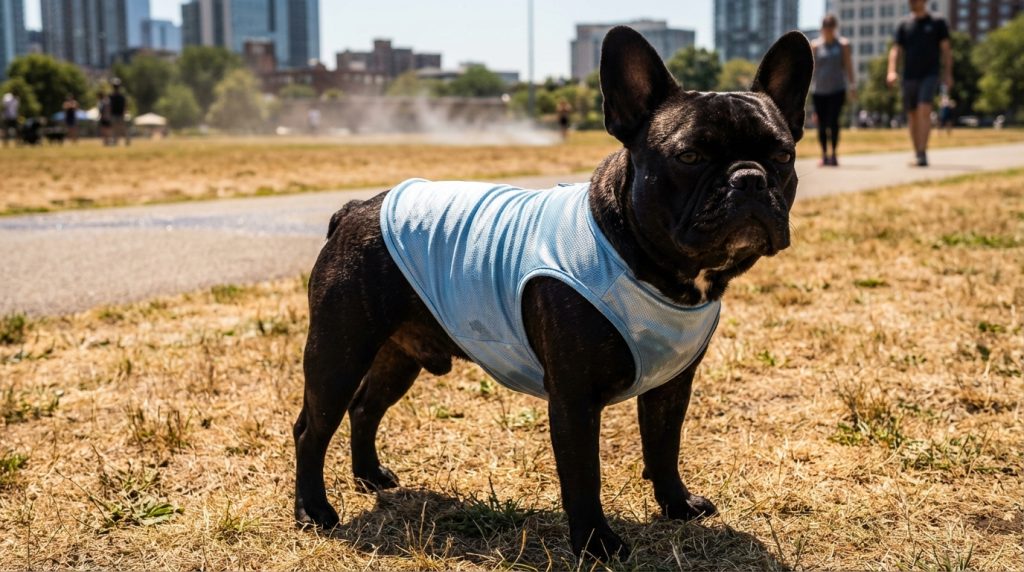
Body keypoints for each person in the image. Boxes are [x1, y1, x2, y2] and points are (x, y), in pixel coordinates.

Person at [887, 0, 952, 167]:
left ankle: (923, 153)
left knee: (924, 108)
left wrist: (948, 74)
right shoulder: (904, 24)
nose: (911, 2)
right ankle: (917, 152)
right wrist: (892, 71)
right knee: (912, 115)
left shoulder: (937, 22)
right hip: (909, 76)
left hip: (930, 74)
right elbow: (896, 50)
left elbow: (946, 50)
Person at [810, 14, 855, 166]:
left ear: (834, 28)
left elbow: (848, 67)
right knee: (822, 124)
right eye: (825, 27)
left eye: (831, 27)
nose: (828, 30)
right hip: (819, 91)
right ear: (822, 28)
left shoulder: (843, 45)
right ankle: (824, 154)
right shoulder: (815, 46)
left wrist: (852, 86)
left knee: (833, 122)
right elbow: (812, 70)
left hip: (837, 90)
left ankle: (834, 154)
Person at [108, 79, 130, 146]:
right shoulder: (116, 96)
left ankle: (123, 141)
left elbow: (125, 106)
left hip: (118, 114)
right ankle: (116, 141)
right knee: (118, 129)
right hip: (116, 114)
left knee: (119, 129)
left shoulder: (117, 96)